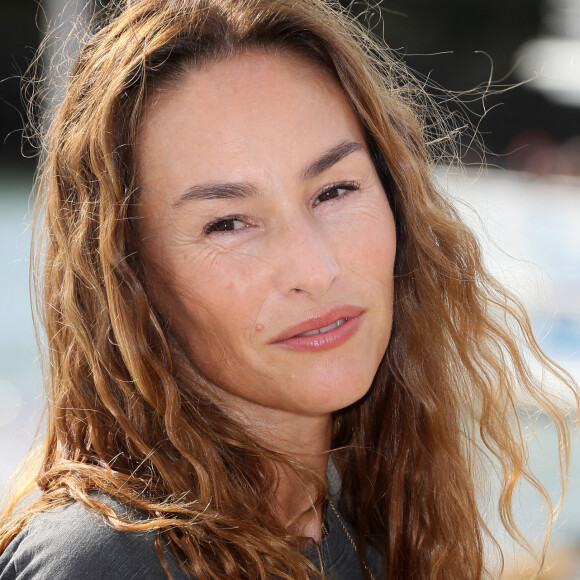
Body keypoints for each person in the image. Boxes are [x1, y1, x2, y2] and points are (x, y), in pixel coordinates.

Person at [0, 0, 577, 578]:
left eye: (334, 191)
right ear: (130, 278)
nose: (314, 268)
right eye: (227, 223)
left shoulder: (377, 520)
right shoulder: (106, 562)